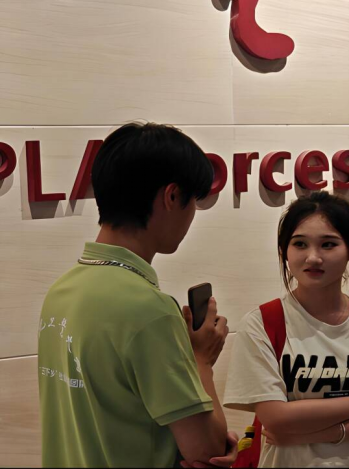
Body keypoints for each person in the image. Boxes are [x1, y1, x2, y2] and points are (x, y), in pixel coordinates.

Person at [38, 122, 237, 467]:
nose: (193, 215)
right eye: (194, 201)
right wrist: (201, 361)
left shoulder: (61, 291)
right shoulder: (150, 311)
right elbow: (208, 450)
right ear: (172, 197)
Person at [223, 191, 349, 467]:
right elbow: (276, 419)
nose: (313, 257)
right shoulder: (262, 322)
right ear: (284, 250)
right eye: (300, 244)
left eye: (328, 244)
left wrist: (323, 433)